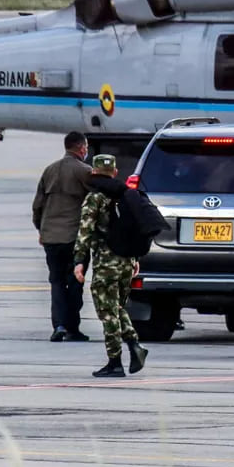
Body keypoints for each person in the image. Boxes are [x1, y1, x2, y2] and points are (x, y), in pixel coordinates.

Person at [72, 155, 148, 377]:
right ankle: (134, 345)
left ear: (94, 172)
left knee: (107, 313)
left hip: (106, 262)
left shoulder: (94, 198)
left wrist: (79, 261)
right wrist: (134, 259)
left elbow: (84, 231)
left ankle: (115, 362)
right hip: (126, 261)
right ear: (114, 173)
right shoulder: (125, 197)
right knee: (118, 308)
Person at [32, 131, 94, 342]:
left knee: (56, 282)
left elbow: (37, 205)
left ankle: (58, 325)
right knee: (75, 283)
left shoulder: (49, 170)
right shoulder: (85, 171)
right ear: (82, 148)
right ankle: (72, 327)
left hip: (51, 237)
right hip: (74, 238)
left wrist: (41, 230)